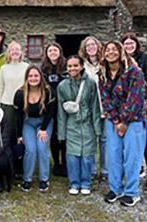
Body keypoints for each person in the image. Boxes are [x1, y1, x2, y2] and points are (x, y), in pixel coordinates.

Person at [99, 41, 146, 207]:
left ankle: (132, 192)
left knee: (132, 157)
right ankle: (115, 188)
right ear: (103, 54)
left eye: (114, 49)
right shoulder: (102, 74)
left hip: (134, 120)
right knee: (113, 155)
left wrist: (124, 121)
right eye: (107, 50)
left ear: (121, 52)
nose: (111, 52)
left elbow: (136, 98)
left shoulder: (134, 72)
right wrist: (116, 120)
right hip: (113, 120)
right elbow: (105, 99)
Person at [57, 55, 101, 195]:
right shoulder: (62, 86)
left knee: (88, 155)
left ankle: (86, 183)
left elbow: (95, 107)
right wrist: (61, 132)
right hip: (72, 125)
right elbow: (60, 112)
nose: (72, 68)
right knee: (72, 156)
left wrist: (97, 129)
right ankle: (74, 183)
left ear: (81, 66)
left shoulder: (90, 84)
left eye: (75, 65)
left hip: (87, 124)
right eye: (70, 66)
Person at [121, 32, 147, 191]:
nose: (129, 46)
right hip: (126, 107)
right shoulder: (121, 62)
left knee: (145, 139)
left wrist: (136, 95)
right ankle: (137, 168)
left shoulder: (145, 59)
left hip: (143, 105)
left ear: (136, 44)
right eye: (126, 44)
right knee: (130, 140)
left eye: (131, 43)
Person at [14, 65, 56, 192]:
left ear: (41, 77)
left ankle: (44, 179)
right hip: (28, 123)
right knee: (31, 149)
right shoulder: (20, 93)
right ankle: (27, 179)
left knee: (42, 148)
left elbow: (50, 112)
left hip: (44, 122)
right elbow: (18, 116)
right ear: (26, 78)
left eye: (36, 75)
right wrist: (19, 135)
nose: (33, 78)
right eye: (30, 76)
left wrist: (43, 129)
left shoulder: (48, 91)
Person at [0, 41, 29, 179]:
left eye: (17, 49)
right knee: (8, 137)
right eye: (12, 50)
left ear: (21, 52)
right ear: (8, 53)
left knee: (20, 137)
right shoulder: (4, 68)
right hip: (6, 105)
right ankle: (9, 167)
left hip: (22, 106)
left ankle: (20, 167)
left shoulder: (26, 67)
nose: (15, 52)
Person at [78, 36, 108, 181]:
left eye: (93, 44)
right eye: (88, 45)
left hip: (105, 108)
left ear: (98, 46)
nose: (91, 47)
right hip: (90, 108)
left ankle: (105, 171)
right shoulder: (82, 66)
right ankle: (91, 170)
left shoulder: (105, 64)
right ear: (84, 49)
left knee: (104, 140)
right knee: (90, 141)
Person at [40, 43, 67, 177]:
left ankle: (66, 163)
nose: (53, 52)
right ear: (47, 53)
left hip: (64, 106)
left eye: (55, 50)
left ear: (59, 51)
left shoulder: (66, 66)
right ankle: (56, 163)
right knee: (54, 137)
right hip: (50, 106)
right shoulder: (43, 68)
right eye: (50, 50)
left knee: (65, 136)